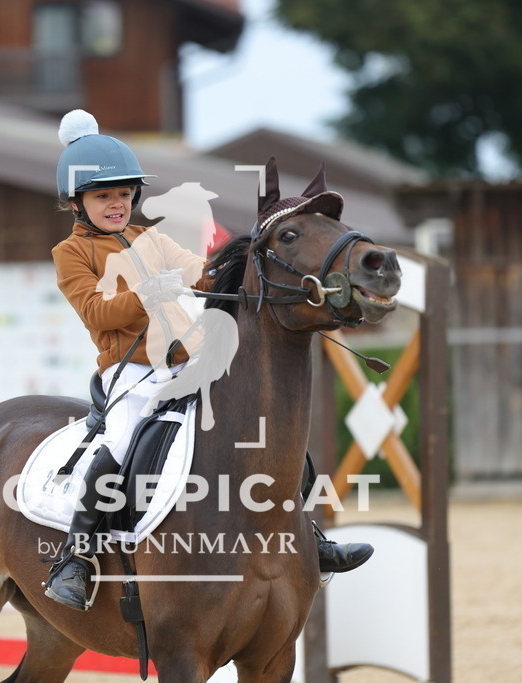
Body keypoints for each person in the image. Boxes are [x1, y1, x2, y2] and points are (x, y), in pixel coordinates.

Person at [43, 110, 373, 611]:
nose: (116, 204)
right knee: (118, 444)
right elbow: (96, 311)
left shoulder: (149, 238)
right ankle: (77, 555)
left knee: (260, 428)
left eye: (124, 193)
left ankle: (309, 537)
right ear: (76, 202)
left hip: (187, 361)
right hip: (129, 371)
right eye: (102, 195)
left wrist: (241, 267)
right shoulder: (70, 252)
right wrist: (149, 293)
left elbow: (203, 271)